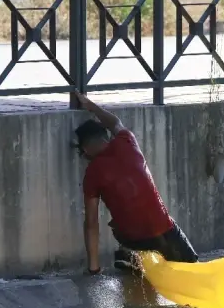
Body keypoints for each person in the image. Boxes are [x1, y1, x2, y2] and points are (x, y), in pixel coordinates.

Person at [73, 91, 199, 275]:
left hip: (135, 239)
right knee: (193, 267)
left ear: (85, 149)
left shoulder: (92, 174)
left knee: (118, 225)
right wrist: (90, 105)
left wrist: (94, 269)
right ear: (105, 138)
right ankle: (141, 259)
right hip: (165, 231)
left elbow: (91, 223)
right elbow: (114, 122)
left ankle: (131, 257)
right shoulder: (127, 141)